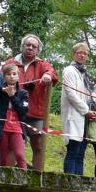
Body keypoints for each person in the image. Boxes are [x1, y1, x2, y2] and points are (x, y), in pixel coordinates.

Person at [4, 34, 57, 172]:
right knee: (11, 144)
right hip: (14, 109)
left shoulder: (42, 64)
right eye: (28, 45)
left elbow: (52, 72)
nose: (30, 48)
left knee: (38, 144)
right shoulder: (11, 62)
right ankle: (8, 174)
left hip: (36, 111)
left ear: (38, 49)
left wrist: (48, 75)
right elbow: (1, 75)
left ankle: (37, 175)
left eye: (34, 46)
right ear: (23, 46)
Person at [61, 42, 96, 176]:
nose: (82, 55)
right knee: (73, 151)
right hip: (74, 115)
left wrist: (94, 110)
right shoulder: (69, 71)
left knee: (80, 153)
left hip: (86, 118)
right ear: (73, 54)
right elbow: (71, 94)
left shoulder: (86, 74)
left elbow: (92, 94)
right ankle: (69, 181)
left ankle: (79, 182)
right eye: (79, 53)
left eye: (85, 53)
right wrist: (86, 110)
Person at [0, 62, 29, 169]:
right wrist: (1, 89)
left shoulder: (23, 93)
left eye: (14, 74)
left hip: (17, 128)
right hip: (2, 128)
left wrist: (12, 96)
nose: (12, 76)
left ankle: (25, 179)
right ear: (4, 77)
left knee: (19, 155)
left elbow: (23, 110)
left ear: (18, 76)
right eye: (8, 74)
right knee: (3, 158)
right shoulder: (0, 92)